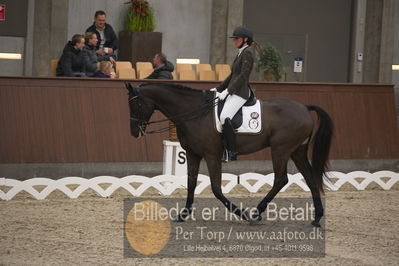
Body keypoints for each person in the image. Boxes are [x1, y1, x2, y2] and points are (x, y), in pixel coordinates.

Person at [214, 26, 256, 162]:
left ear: (245, 40)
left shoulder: (248, 52)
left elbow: (243, 76)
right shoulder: (240, 52)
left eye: (236, 39)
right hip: (234, 90)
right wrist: (219, 89)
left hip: (240, 92)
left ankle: (231, 151)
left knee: (224, 116)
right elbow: (233, 75)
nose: (234, 41)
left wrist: (228, 91)